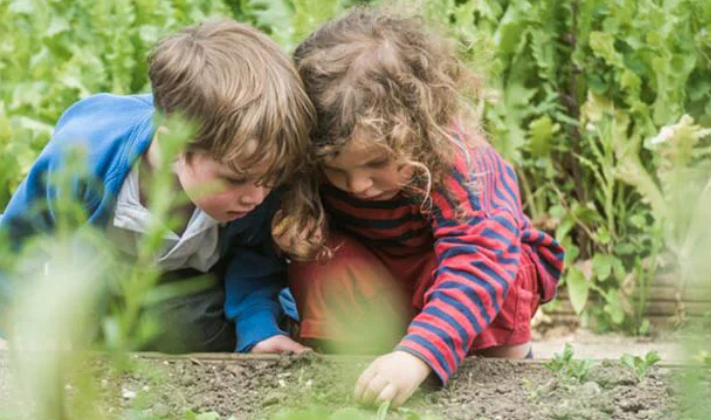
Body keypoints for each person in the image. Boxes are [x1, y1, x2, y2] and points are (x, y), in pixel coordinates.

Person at [0, 19, 315, 354]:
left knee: (193, 330)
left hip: (186, 288)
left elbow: (256, 261)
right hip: (96, 268)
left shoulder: (254, 170)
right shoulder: (85, 155)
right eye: (236, 179)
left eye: (270, 179)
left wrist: (260, 331)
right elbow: (23, 231)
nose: (257, 195)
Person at [236, 7, 565, 407]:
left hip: (462, 278)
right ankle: (357, 367)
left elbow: (480, 259)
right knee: (317, 256)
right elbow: (256, 242)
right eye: (335, 169)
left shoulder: (460, 163)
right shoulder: (313, 159)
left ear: (421, 129)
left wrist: (418, 353)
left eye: (377, 164)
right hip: (382, 280)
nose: (357, 185)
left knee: (505, 271)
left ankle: (503, 373)